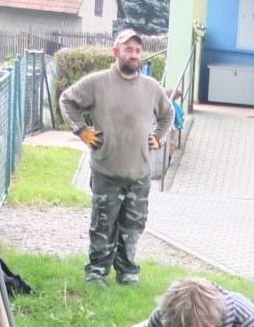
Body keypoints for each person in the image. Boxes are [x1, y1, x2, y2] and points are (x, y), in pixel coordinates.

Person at [60, 27, 174, 287]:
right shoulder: (97, 83)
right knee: (103, 225)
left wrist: (159, 137)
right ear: (116, 52)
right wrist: (81, 130)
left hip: (139, 174)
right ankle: (97, 272)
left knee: (133, 228)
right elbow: (67, 101)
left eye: (137, 50)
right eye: (128, 49)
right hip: (107, 172)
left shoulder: (151, 87)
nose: (134, 55)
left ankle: (127, 273)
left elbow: (167, 114)